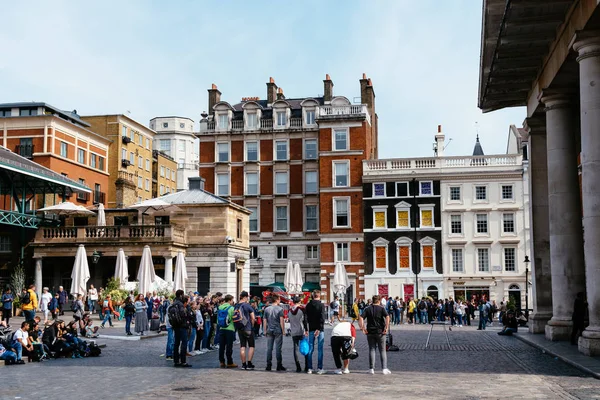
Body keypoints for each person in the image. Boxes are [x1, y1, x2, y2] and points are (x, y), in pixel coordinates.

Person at [358, 295, 391, 375]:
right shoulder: (382, 308)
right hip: (380, 332)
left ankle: (371, 369)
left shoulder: (367, 308)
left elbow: (361, 318)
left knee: (372, 349)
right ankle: (384, 368)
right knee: (382, 350)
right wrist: (386, 327)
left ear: (372, 301)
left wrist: (362, 328)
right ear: (379, 301)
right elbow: (387, 317)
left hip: (370, 331)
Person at [263, 293, 285, 371]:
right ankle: (279, 365)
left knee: (269, 348)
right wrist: (283, 330)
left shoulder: (267, 309)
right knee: (278, 348)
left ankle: (268, 365)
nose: (280, 301)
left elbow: (265, 321)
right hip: (278, 330)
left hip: (269, 330)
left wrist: (264, 330)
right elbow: (282, 321)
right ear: (276, 300)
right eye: (279, 299)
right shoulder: (280, 309)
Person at [305, 290, 325, 374]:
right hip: (320, 329)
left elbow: (305, 318)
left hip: (311, 328)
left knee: (310, 348)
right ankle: (319, 368)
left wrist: (306, 328)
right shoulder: (321, 305)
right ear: (319, 296)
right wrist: (319, 329)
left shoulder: (308, 305)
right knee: (320, 349)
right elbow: (322, 318)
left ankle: (309, 368)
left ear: (313, 296)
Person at [171, 291, 192, 368]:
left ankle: (176, 361)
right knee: (184, 343)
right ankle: (183, 361)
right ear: (180, 295)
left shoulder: (173, 303)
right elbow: (183, 314)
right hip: (182, 325)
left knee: (176, 343)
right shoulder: (180, 304)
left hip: (175, 325)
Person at [235, 291, 256, 370]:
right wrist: (252, 325)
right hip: (248, 328)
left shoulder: (236, 305)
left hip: (240, 328)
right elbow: (253, 318)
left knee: (242, 346)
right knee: (251, 346)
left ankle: (243, 364)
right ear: (245, 297)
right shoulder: (247, 306)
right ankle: (249, 363)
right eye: (247, 297)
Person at [288, 295, 308, 373]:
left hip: (293, 331)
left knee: (295, 349)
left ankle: (298, 366)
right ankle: (306, 366)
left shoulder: (290, 310)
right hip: (301, 330)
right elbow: (305, 320)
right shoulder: (302, 310)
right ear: (299, 302)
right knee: (305, 347)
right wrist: (306, 330)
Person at [217, 294, 237, 368]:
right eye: (232, 300)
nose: (232, 301)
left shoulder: (220, 307)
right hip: (230, 328)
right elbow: (234, 318)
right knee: (229, 346)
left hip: (222, 328)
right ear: (230, 300)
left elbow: (218, 319)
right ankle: (229, 362)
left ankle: (222, 361)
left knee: (221, 346)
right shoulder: (231, 308)